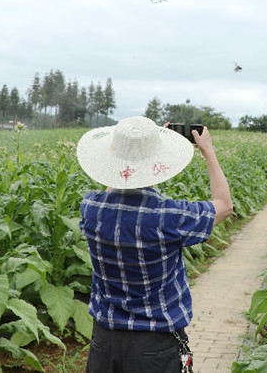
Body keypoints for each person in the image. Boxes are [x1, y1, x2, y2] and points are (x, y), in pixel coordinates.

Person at [76, 116, 233, 372]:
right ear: (158, 161)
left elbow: (113, 191)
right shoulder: (167, 217)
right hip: (154, 344)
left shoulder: (91, 207)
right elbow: (225, 206)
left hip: (104, 340)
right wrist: (208, 152)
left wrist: (128, 160)